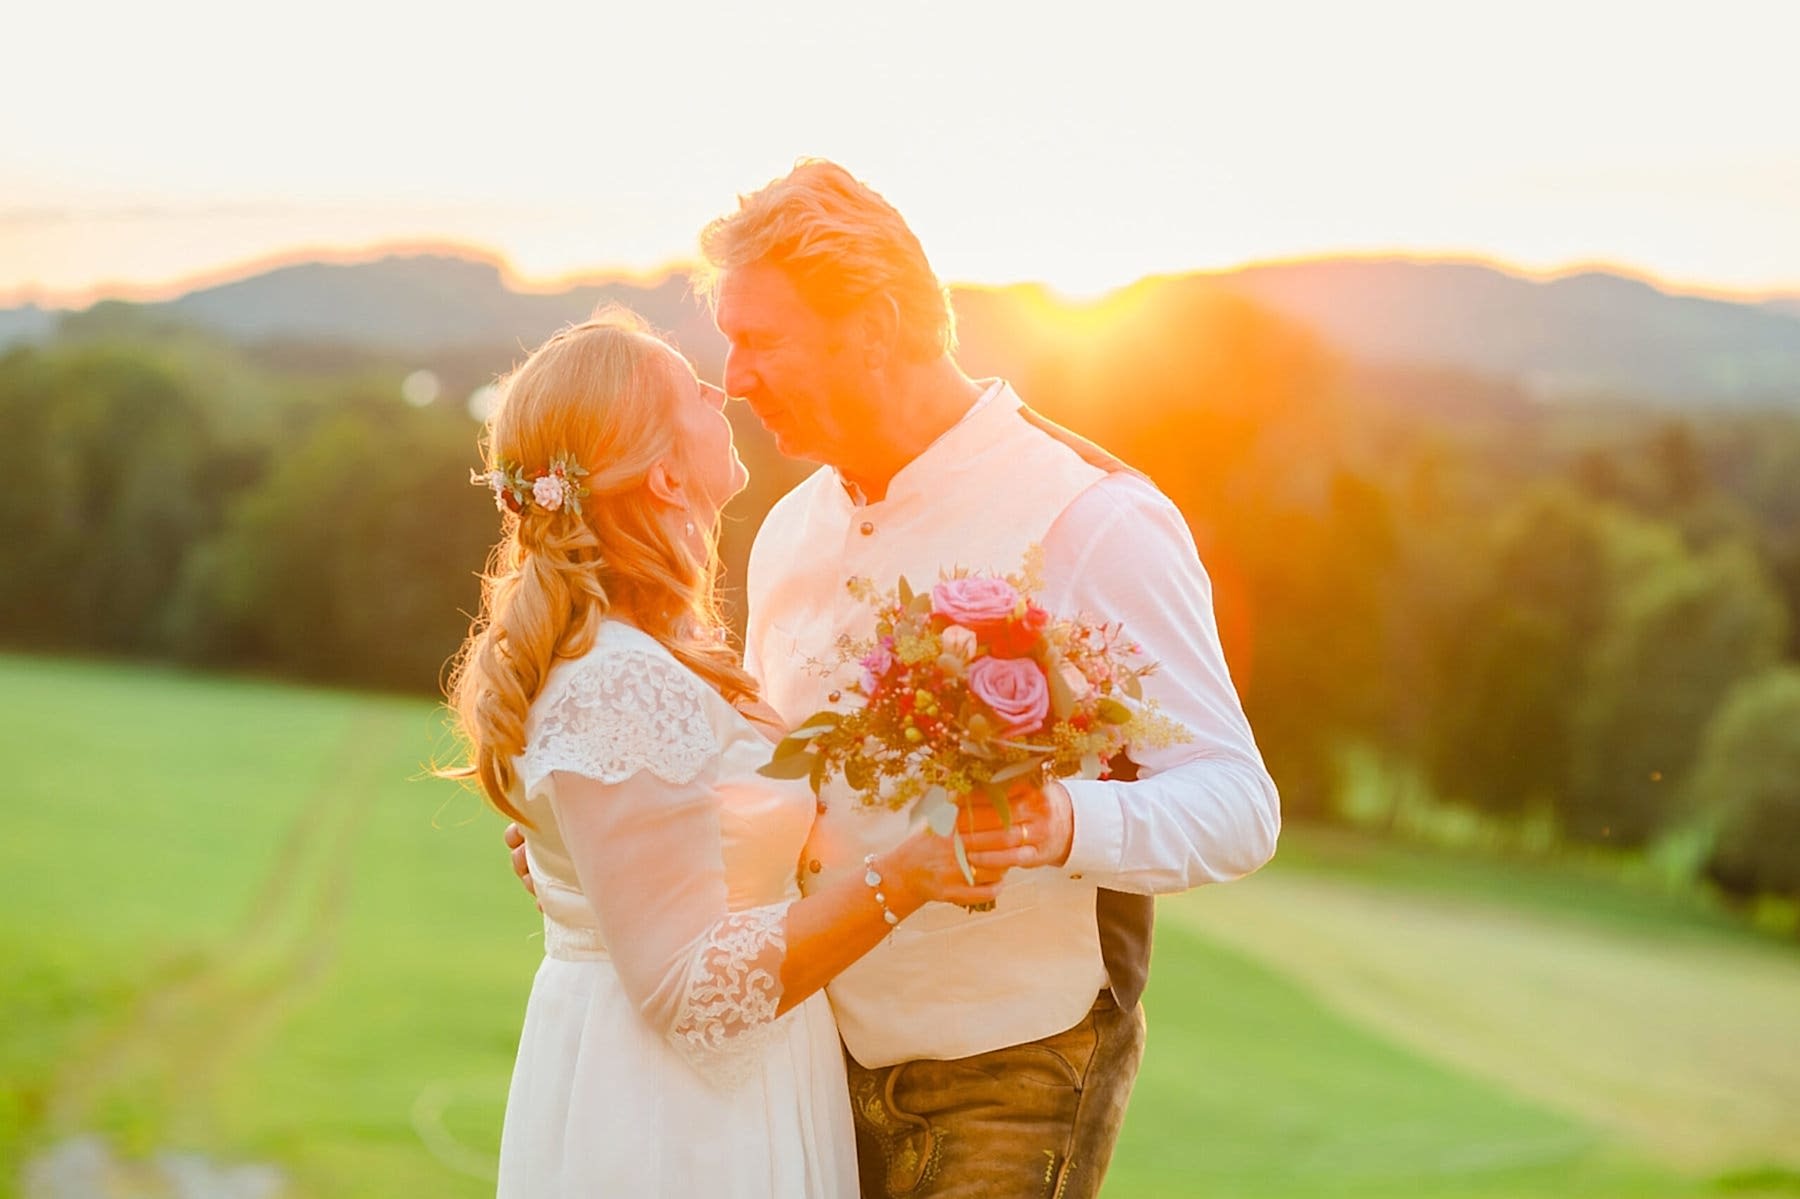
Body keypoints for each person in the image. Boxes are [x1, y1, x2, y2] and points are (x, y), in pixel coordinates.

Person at [512, 160, 1281, 1198]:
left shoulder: (1094, 519)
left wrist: (1054, 820)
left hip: (1009, 1069)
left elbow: (1238, 805)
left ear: (870, 324)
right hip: (804, 1069)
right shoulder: (786, 532)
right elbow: (781, 782)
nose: (734, 378)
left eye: (762, 340)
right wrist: (610, 837)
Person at [443, 308, 1004, 1198]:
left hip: (723, 1087)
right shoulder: (618, 678)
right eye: (692, 388)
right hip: (680, 1121)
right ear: (663, 473)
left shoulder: (655, 651)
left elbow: (683, 844)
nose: (724, 389)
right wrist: (909, 876)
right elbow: (687, 991)